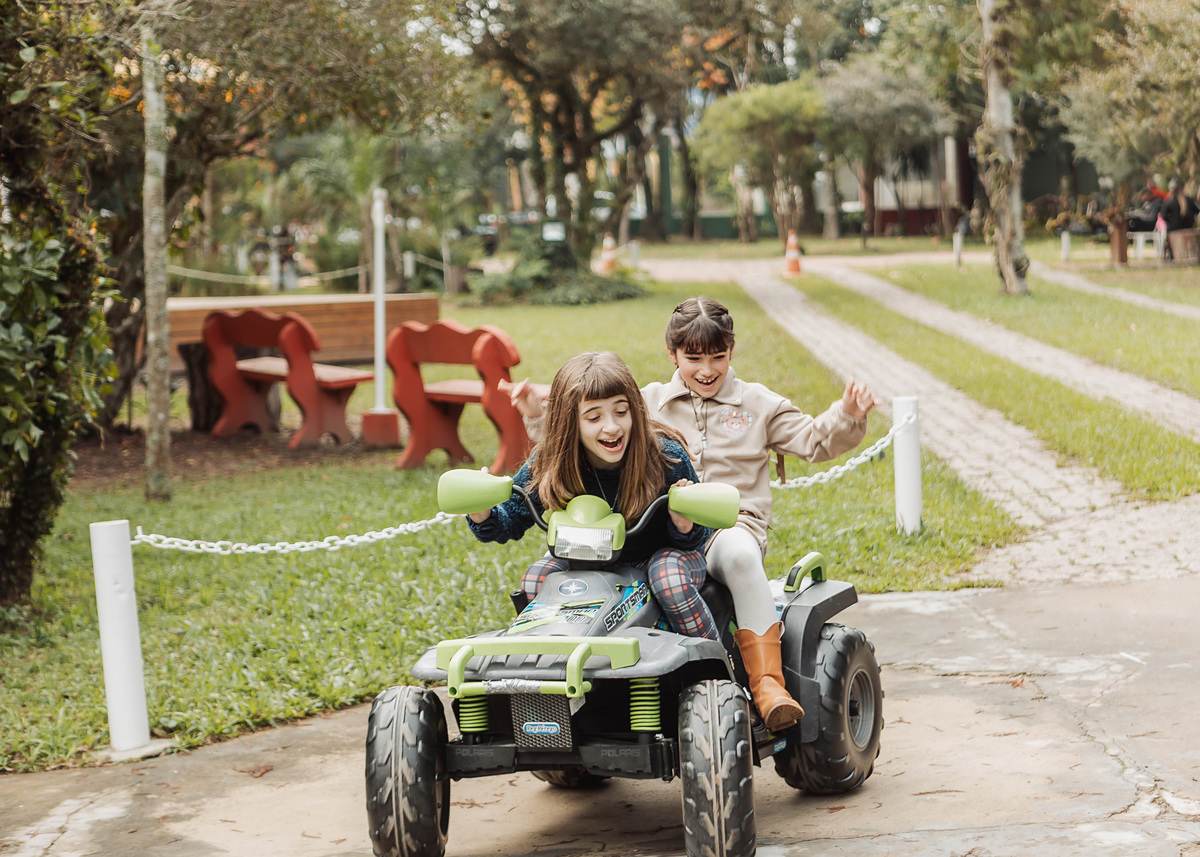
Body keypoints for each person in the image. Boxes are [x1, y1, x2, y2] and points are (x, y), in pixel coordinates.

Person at [505, 298, 879, 732]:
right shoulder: (646, 402)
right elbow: (580, 435)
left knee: (740, 556)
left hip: (731, 524)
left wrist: (846, 415)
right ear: (672, 354)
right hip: (654, 527)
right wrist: (537, 415)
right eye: (694, 358)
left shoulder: (757, 403)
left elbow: (813, 440)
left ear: (732, 350)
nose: (706, 369)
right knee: (566, 573)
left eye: (717, 357)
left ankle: (765, 684)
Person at [466, 351, 719, 641]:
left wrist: (684, 525)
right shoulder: (551, 460)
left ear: (635, 410)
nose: (611, 426)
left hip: (663, 556)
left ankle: (714, 657)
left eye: (621, 412)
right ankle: (554, 660)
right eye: (594, 417)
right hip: (587, 561)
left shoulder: (664, 457)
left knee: (667, 577)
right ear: (569, 421)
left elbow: (700, 532)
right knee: (537, 578)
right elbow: (510, 518)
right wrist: (481, 512)